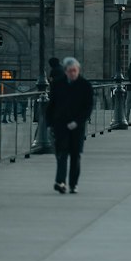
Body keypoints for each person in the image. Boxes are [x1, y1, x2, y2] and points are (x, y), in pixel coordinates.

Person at [46, 56, 94, 194]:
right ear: (66, 71)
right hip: (60, 124)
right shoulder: (58, 84)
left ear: (78, 70)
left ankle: (73, 184)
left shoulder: (85, 85)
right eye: (70, 71)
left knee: (75, 155)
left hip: (77, 126)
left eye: (74, 70)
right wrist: (49, 123)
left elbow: (88, 107)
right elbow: (52, 105)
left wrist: (78, 121)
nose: (72, 73)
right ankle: (60, 182)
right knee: (61, 154)